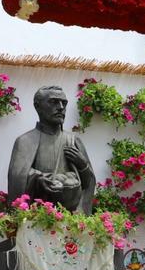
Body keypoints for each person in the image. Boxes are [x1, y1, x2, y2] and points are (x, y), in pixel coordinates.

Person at [7, 85, 96, 213]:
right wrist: (40, 178)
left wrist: (83, 166)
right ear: (38, 106)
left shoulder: (73, 140)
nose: (60, 107)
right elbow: (17, 177)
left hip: (69, 219)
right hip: (36, 216)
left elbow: (88, 183)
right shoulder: (25, 141)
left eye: (64, 103)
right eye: (53, 102)